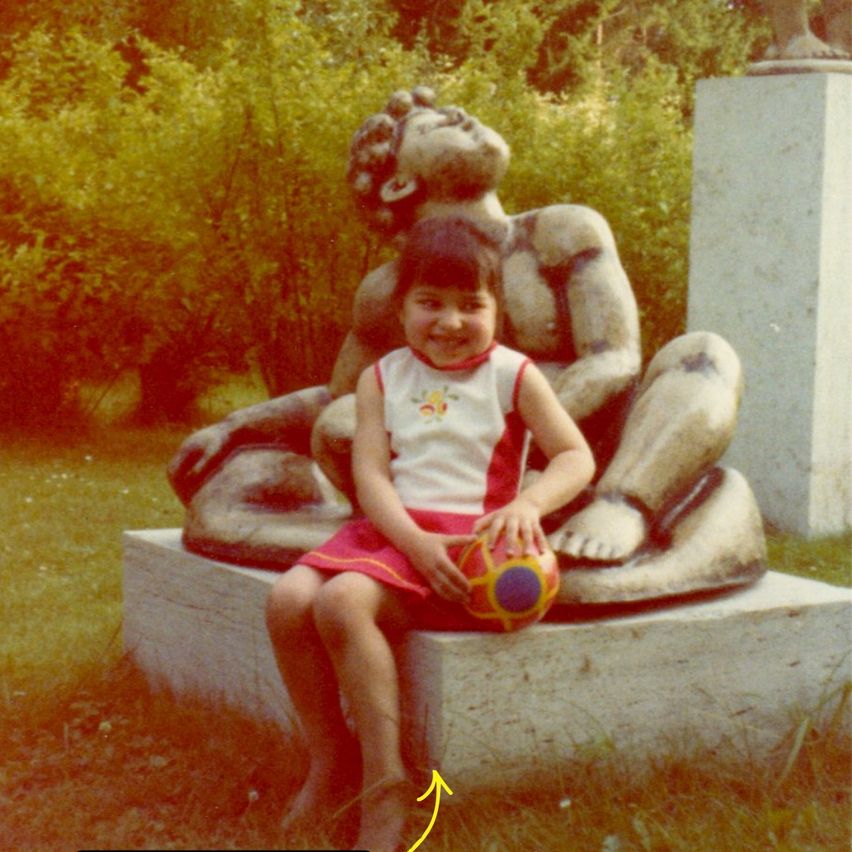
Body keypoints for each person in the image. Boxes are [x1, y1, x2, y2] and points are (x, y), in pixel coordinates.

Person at [168, 86, 766, 605]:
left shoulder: (563, 230)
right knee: (346, 422)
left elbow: (613, 359)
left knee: (706, 356)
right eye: (434, 125)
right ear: (400, 180)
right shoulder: (387, 292)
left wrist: (516, 430)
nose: (460, 116)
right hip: (453, 481)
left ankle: (626, 507)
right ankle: (436, 534)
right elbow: (341, 395)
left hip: (594, 451)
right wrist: (237, 427)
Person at [265, 216, 595, 851]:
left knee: (341, 601)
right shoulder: (382, 377)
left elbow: (574, 457)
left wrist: (530, 505)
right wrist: (410, 541)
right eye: (430, 303)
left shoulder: (514, 375)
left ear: (498, 309)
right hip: (396, 537)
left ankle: (387, 786)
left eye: (471, 305)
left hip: (469, 552)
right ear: (401, 307)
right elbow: (371, 475)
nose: (449, 321)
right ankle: (329, 758)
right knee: (287, 601)